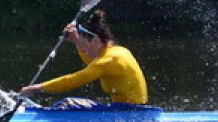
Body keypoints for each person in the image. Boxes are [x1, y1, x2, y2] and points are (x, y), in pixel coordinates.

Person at [19, 10, 148, 109]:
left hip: (126, 111)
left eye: (85, 44)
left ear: (96, 41)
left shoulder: (105, 62)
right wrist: (78, 41)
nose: (84, 49)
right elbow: (92, 63)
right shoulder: (118, 51)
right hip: (131, 109)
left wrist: (37, 88)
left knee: (67, 104)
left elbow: (72, 81)